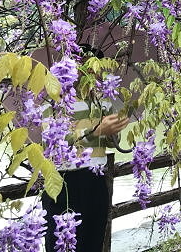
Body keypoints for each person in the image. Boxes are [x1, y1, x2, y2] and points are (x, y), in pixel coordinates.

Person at [42, 61, 130, 252]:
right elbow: (53, 140)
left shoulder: (102, 99)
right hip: (63, 179)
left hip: (95, 178)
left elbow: (111, 143)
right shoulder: (54, 97)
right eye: (86, 67)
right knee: (60, 244)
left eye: (95, 68)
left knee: (93, 240)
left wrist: (114, 128)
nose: (91, 72)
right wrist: (95, 129)